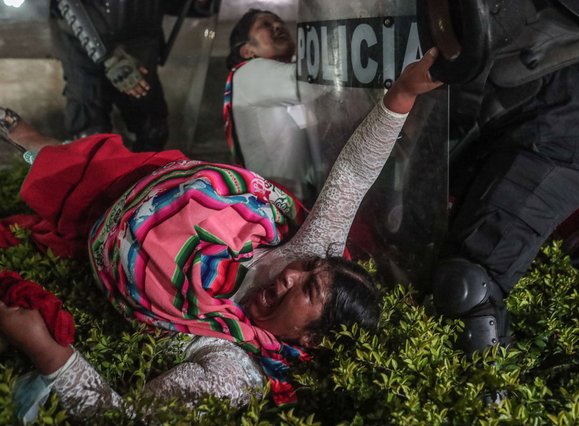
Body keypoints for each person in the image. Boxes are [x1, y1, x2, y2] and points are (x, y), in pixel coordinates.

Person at [0, 49, 442, 421]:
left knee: (51, 174)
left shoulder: (235, 371)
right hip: (147, 178)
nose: (291, 274)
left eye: (307, 288)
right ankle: (27, 135)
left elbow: (123, 417)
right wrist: (401, 94)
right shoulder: (310, 251)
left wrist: (47, 351)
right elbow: (353, 172)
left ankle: (29, 142)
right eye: (308, 268)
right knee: (59, 154)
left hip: (102, 235)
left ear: (312, 339)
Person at [428, 0, 579, 357]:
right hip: (506, 126)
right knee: (430, 263)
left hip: (552, 130)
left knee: (466, 283)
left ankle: (490, 405)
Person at [49, 0, 169, 152]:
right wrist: (109, 58)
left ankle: (144, 174)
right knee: (91, 137)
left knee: (153, 130)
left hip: (141, 38)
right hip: (80, 41)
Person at [224, 9, 316, 204]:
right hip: (284, 206)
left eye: (278, 21)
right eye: (265, 25)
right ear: (247, 51)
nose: (277, 25)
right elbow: (314, 83)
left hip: (295, 200)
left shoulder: (274, 78)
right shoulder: (248, 73)